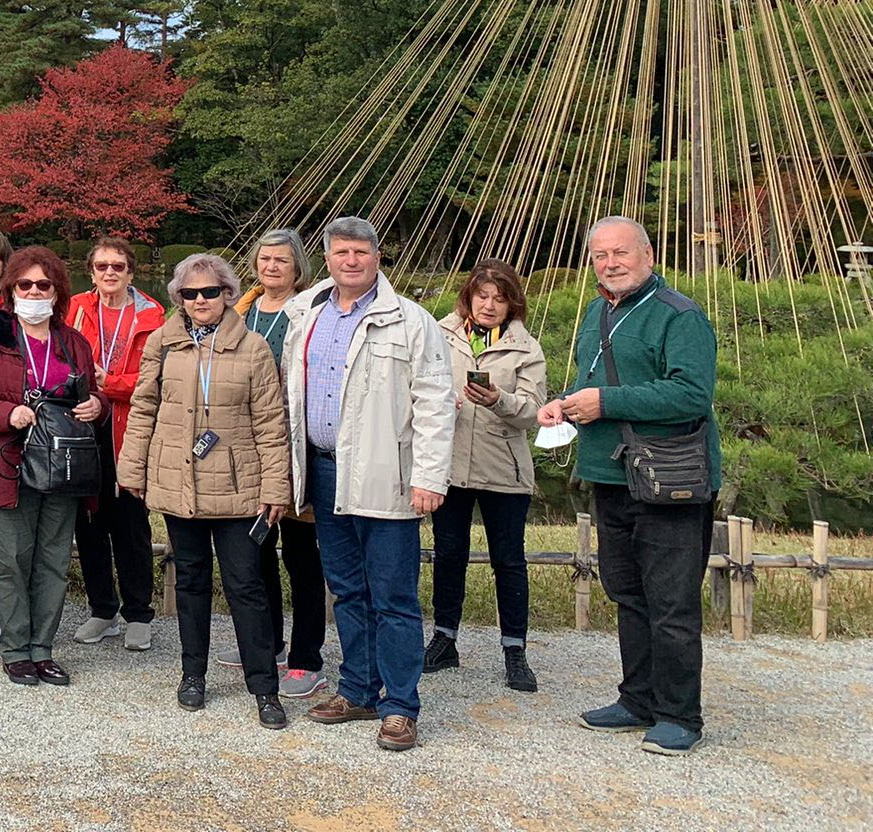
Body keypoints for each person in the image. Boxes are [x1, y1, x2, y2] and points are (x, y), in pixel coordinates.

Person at [540, 216, 720, 755]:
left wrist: (606, 403)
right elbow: (596, 382)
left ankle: (679, 714)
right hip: (610, 473)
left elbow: (691, 394)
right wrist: (567, 402)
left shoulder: (679, 316)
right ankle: (638, 697)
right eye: (600, 255)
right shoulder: (598, 310)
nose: (610, 263)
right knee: (627, 593)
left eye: (620, 253)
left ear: (647, 253)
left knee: (671, 600)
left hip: (669, 477)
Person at [280, 216, 454, 751]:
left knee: (394, 594)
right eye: (340, 253)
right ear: (327, 259)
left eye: (360, 252)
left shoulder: (410, 321)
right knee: (347, 588)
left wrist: (429, 475)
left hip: (388, 472)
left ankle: (400, 704)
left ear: (377, 258)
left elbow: (435, 401)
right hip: (324, 466)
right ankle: (357, 687)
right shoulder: (306, 314)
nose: (350, 261)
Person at [119, 253, 291, 727]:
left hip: (238, 487)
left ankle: (264, 687)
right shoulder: (164, 343)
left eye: (209, 292)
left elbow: (271, 424)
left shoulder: (253, 347)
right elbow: (143, 407)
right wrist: (131, 468)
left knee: (246, 586)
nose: (200, 301)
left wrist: (276, 485)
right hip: (179, 479)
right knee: (190, 582)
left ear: (228, 295)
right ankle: (192, 673)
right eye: (190, 293)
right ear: (179, 298)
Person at [0, 246, 103, 686]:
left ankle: (43, 649)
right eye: (25, 284)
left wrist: (98, 404)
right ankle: (16, 647)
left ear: (57, 292)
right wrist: (7, 414)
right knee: (13, 560)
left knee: (55, 559)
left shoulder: (73, 342)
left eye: (44, 285)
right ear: (10, 288)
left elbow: (94, 395)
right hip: (9, 462)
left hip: (62, 465)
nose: (34, 291)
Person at [425, 259, 546, 694]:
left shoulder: (525, 347)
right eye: (483, 296)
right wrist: (443, 403)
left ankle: (515, 650)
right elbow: (422, 385)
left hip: (503, 466)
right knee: (449, 553)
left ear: (513, 303)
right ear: (468, 297)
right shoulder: (440, 333)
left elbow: (534, 411)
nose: (490, 305)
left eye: (500, 298)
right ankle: (444, 639)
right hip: (451, 463)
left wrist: (499, 400)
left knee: (508, 560)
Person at [233, 227, 329, 698]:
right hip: (245, 445)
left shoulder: (310, 311)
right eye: (265, 260)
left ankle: (307, 656)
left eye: (281, 261)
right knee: (254, 550)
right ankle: (266, 640)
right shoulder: (241, 311)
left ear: (297, 268)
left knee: (301, 554)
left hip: (294, 443)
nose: (272, 267)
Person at [68, 236, 166, 652]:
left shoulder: (152, 314)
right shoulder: (75, 308)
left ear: (131, 271)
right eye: (102, 266)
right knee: (88, 525)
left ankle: (139, 612)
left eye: (118, 266)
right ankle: (102, 609)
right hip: (83, 430)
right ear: (91, 272)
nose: (110, 273)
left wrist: (111, 384)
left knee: (131, 526)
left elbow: (155, 379)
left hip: (129, 431)